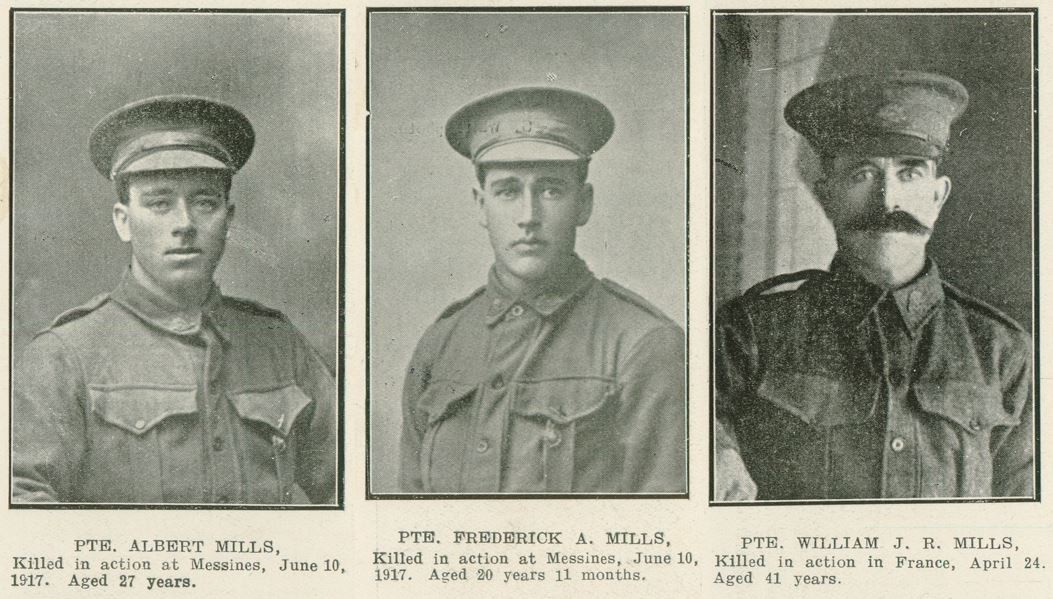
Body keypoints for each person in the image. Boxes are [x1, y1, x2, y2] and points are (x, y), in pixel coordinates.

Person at [715, 71, 1033, 501]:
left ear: (937, 197)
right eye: (862, 174)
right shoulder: (749, 334)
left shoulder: (1003, 353)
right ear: (827, 196)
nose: (888, 202)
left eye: (910, 173)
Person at [12, 95, 337, 504]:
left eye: (204, 202)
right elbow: (21, 503)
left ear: (228, 218)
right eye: (159, 204)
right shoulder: (65, 356)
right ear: (123, 221)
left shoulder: (281, 346)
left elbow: (342, 494)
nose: (184, 224)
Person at [399, 87, 685, 493]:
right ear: (481, 205)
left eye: (551, 189)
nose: (529, 216)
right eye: (508, 191)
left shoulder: (644, 345)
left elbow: (667, 529)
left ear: (583, 203)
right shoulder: (440, 344)